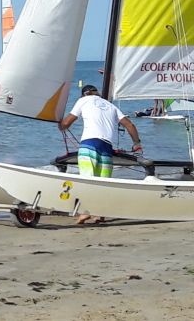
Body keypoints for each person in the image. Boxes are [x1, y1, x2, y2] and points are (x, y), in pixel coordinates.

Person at [58, 84, 142, 224]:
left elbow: (66, 123)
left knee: (87, 180)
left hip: (90, 144)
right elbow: (130, 125)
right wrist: (137, 144)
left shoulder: (83, 100)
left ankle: (85, 212)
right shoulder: (111, 106)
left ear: (85, 94)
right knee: (103, 184)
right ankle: (100, 214)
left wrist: (60, 124)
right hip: (106, 148)